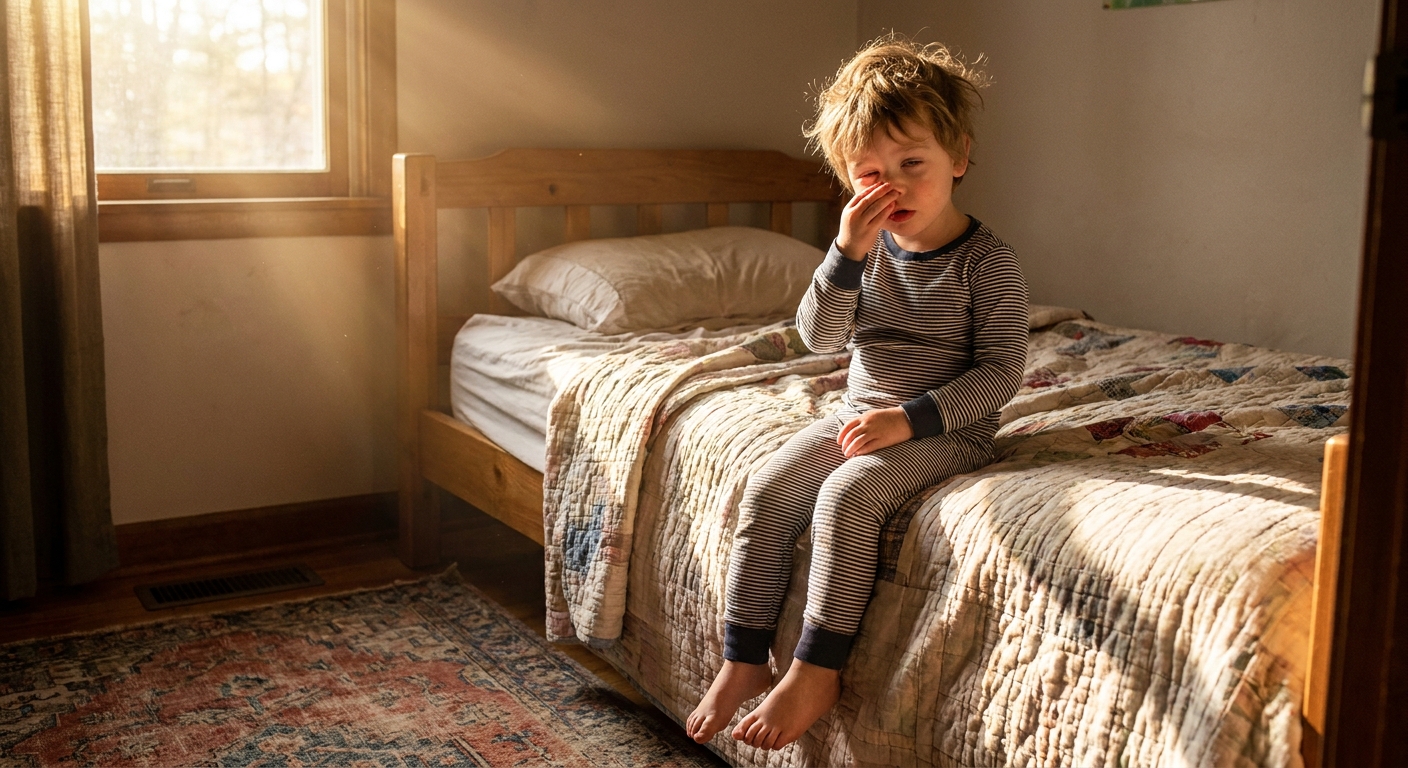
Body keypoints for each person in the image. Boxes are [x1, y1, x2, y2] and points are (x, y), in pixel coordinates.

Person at [685, 37, 1030, 750]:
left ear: (958, 158)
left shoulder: (987, 262)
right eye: (872, 173)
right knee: (771, 488)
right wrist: (844, 255)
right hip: (856, 413)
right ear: (848, 179)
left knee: (848, 497)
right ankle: (744, 658)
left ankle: (817, 669)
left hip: (946, 429)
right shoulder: (863, 252)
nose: (894, 187)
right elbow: (818, 337)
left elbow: (1001, 375)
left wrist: (908, 421)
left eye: (914, 165)